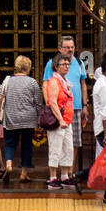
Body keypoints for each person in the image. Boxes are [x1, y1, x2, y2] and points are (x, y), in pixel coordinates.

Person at [70, 51, 106, 205]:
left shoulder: (104, 84)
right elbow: (104, 111)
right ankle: (87, 179)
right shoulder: (104, 86)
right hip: (105, 129)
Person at [43, 35, 89, 164]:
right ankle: (55, 173)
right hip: (58, 108)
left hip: (76, 107)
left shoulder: (79, 63)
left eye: (72, 47)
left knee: (73, 141)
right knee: (58, 140)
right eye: (67, 47)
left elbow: (83, 85)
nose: (70, 50)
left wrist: (85, 105)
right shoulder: (52, 64)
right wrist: (49, 105)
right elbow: (46, 84)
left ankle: (70, 171)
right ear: (60, 48)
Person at [0, 55, 41, 184]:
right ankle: (24, 173)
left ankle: (9, 164)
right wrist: (38, 118)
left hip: (11, 117)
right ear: (28, 67)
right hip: (29, 118)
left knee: (10, 143)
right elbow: (38, 102)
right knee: (26, 145)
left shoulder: (8, 81)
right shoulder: (32, 82)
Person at [44, 54, 75, 189]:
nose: (67, 67)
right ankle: (52, 177)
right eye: (63, 64)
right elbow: (52, 103)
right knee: (56, 148)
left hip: (67, 121)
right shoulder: (54, 82)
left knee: (68, 148)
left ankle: (64, 176)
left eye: (68, 64)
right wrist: (60, 119)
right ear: (56, 67)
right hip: (58, 122)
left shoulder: (65, 81)